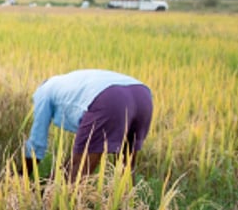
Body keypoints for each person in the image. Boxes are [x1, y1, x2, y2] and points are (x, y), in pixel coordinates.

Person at [24, 68, 153, 180]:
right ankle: (129, 206)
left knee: (78, 171)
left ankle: (59, 206)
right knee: (126, 167)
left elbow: (37, 143)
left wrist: (22, 175)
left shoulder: (43, 92)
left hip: (109, 98)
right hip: (142, 95)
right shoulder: (69, 81)